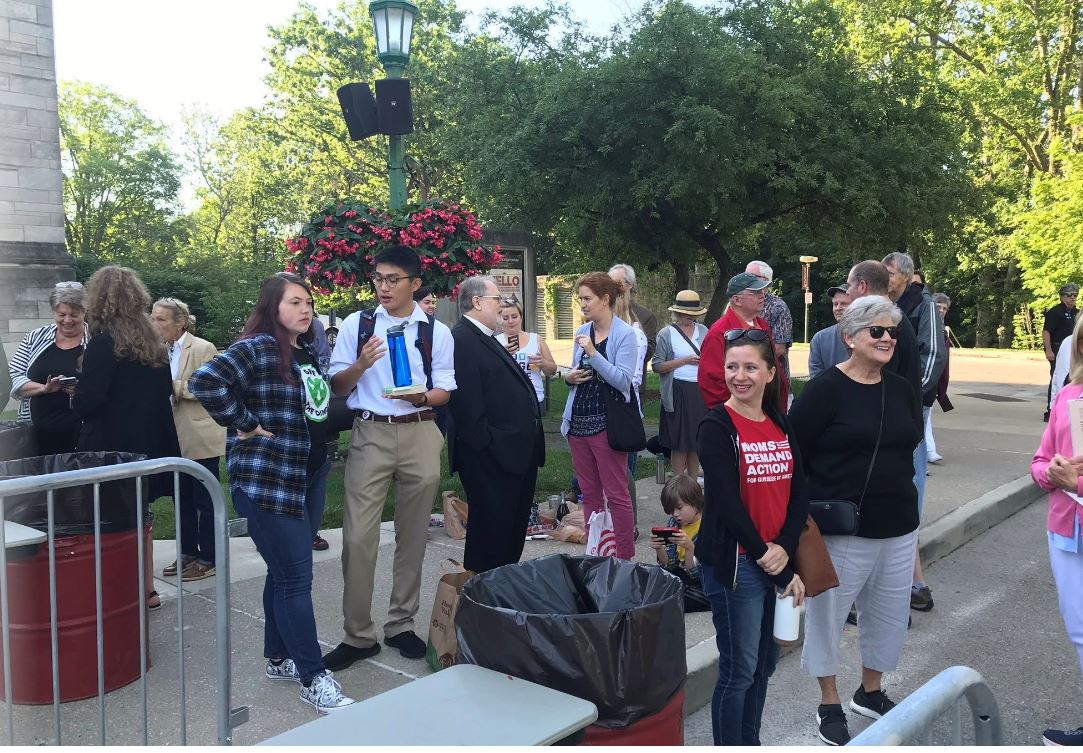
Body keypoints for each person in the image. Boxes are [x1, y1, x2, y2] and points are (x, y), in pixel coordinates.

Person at [189, 272, 355, 713]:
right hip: (268, 479)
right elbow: (204, 381)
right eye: (296, 302)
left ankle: (278, 658)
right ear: (272, 307)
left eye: (309, 304)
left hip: (309, 474)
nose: (306, 310)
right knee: (296, 578)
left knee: (284, 573)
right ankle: (313, 676)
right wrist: (242, 422)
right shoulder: (257, 346)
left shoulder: (303, 351)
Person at [788, 296, 922, 746]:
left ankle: (870, 691)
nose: (887, 339)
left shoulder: (902, 388)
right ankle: (828, 701)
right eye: (877, 332)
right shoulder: (825, 388)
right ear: (850, 337)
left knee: (887, 616)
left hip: (899, 524)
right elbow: (795, 453)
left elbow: (909, 447)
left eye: (892, 332)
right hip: (842, 528)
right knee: (829, 618)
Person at [323, 245, 456, 669]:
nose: (382, 286)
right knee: (358, 538)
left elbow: (445, 391)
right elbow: (339, 387)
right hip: (370, 433)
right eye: (378, 278)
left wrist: (422, 395)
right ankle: (357, 634)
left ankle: (401, 624)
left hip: (420, 430)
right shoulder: (357, 324)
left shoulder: (436, 331)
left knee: (413, 535)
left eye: (392, 279)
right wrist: (361, 364)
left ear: (415, 284)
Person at [696, 327, 808, 746]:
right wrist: (769, 558)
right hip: (738, 564)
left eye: (749, 367)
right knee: (739, 670)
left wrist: (786, 548)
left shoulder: (779, 421)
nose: (738, 376)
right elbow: (725, 503)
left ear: (769, 373)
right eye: (731, 366)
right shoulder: (717, 426)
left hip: (777, 555)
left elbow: (801, 489)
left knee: (765, 665)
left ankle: (750, 740)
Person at [73, 266, 182, 613]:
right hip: (149, 445)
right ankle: (146, 589)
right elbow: (165, 390)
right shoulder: (153, 342)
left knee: (110, 523)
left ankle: (118, 591)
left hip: (112, 451)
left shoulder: (104, 343)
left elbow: (89, 402)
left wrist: (74, 394)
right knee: (142, 518)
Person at [447, 276, 544, 572]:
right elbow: (468, 407)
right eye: (496, 300)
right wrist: (490, 445)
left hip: (513, 454)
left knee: (509, 533)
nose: (502, 306)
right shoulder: (462, 339)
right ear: (477, 302)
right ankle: (485, 597)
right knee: (491, 535)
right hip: (492, 457)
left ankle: (502, 590)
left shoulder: (486, 337)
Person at [1030, 313, 1083, 747]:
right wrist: (1052, 474)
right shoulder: (1069, 395)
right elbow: (1040, 459)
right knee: (1079, 628)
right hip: (1067, 528)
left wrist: (1076, 481)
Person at [882, 253, 946, 613]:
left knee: (908, 488)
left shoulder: (923, 307)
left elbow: (934, 356)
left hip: (910, 411)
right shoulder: (883, 307)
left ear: (905, 276)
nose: (885, 276)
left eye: (889, 272)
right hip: (887, 409)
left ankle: (912, 582)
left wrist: (908, 401)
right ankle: (909, 581)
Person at [562, 272, 639, 560]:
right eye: (580, 298)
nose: (582, 304)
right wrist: (569, 377)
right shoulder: (582, 331)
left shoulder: (625, 334)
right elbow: (574, 371)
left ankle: (623, 558)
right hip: (578, 423)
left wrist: (594, 353)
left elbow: (623, 381)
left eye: (587, 298)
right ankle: (595, 553)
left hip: (608, 424)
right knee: (588, 493)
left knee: (617, 495)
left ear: (605, 300)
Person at [151, 297, 225, 581]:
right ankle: (187, 553)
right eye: (153, 317)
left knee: (204, 498)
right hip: (172, 434)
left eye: (161, 319)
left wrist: (172, 386)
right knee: (180, 497)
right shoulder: (159, 350)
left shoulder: (202, 347)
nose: (154, 324)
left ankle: (209, 557)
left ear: (179, 322)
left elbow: (211, 386)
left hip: (199, 434)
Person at [8, 281, 88, 454]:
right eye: (61, 314)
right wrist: (44, 388)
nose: (67, 320)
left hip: (81, 435)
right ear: (53, 312)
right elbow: (13, 375)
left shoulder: (96, 341)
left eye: (74, 314)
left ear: (84, 312)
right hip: (34, 434)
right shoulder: (35, 337)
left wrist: (81, 391)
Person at [698, 272, 788, 411]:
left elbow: (772, 367)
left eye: (762, 290)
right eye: (755, 292)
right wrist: (737, 413)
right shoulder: (719, 332)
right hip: (739, 416)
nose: (762, 295)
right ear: (737, 300)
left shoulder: (762, 325)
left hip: (768, 411)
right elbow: (712, 383)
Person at [652, 290, 709, 478]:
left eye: (692, 314)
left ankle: (692, 485)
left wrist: (703, 362)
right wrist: (684, 360)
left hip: (699, 391)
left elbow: (712, 360)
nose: (688, 317)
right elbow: (658, 365)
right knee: (679, 442)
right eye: (684, 314)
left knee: (696, 442)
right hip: (677, 390)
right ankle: (678, 483)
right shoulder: (666, 333)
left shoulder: (704, 331)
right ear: (677, 312)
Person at [649, 474, 708, 613]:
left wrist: (689, 549)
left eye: (679, 508)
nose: (675, 514)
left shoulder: (707, 528)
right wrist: (659, 549)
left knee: (681, 596)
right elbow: (670, 565)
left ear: (694, 501)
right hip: (679, 577)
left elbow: (698, 575)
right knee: (649, 578)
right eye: (671, 510)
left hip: (700, 584)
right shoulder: (674, 523)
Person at [496, 295, 558, 405]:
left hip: (534, 398)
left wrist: (542, 362)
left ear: (521, 317)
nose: (510, 321)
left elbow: (552, 371)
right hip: (506, 399)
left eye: (514, 316)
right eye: (505, 318)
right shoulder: (495, 342)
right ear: (499, 319)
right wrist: (503, 356)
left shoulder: (536, 339)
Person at [608, 263, 658, 394]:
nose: (611, 287)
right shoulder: (600, 312)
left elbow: (646, 354)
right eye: (608, 282)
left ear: (630, 285)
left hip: (631, 388)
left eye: (617, 283)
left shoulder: (645, 316)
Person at [746, 261, 794, 379]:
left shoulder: (777, 307)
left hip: (773, 381)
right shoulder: (737, 303)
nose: (745, 280)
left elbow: (779, 348)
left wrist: (745, 359)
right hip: (743, 379)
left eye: (751, 276)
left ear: (766, 282)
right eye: (744, 275)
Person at [1044, 283, 1079, 422]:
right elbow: (1046, 331)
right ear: (1062, 297)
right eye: (1069, 295)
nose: (1072, 298)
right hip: (1057, 348)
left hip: (1074, 350)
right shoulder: (1055, 312)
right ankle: (1051, 409)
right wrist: (1048, 350)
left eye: (1075, 295)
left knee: (1073, 378)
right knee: (1057, 378)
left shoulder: (1077, 313)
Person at [926, 293, 953, 464]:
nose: (942, 311)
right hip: (924, 378)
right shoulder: (927, 326)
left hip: (934, 379)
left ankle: (928, 450)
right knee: (924, 416)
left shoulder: (943, 331)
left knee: (925, 415)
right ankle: (929, 450)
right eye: (938, 307)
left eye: (944, 308)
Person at [808, 283, 852, 379]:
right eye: (835, 304)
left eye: (844, 304)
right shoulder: (819, 339)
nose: (838, 308)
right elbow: (816, 380)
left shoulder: (870, 335)